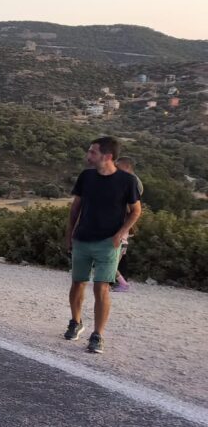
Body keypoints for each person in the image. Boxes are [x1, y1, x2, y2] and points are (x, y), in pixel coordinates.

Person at [64, 137, 141, 354]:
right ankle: (75, 322)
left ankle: (97, 335)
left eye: (92, 152)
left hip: (108, 243)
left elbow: (136, 211)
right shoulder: (86, 176)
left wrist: (120, 234)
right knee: (77, 283)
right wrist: (69, 234)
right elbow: (75, 208)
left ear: (107, 156)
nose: (88, 156)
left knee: (102, 288)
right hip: (82, 239)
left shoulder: (127, 181)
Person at [111, 156, 144, 292]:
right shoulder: (127, 180)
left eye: (118, 166)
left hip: (124, 220)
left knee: (115, 255)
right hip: (122, 220)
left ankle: (121, 282)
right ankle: (117, 281)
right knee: (117, 255)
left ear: (126, 167)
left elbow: (133, 206)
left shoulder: (133, 182)